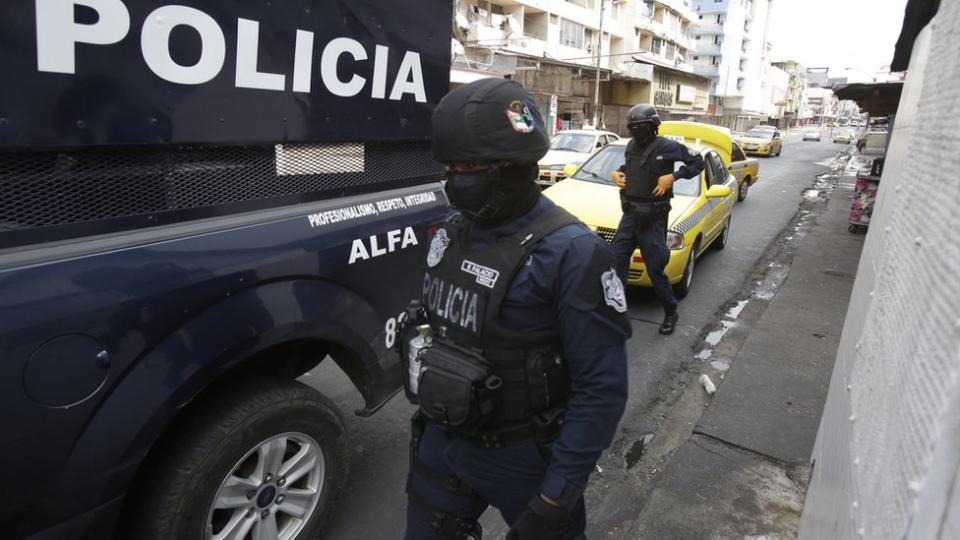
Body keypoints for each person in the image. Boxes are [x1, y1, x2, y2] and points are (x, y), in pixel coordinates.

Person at [401, 78, 631, 540]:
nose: (455, 179)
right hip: (442, 439)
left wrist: (555, 498)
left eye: (470, 166)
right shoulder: (451, 233)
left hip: (522, 457)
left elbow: (601, 390)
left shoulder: (572, 253)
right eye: (450, 166)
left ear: (514, 167)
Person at [610, 104, 704, 335]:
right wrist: (618, 171)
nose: (638, 131)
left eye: (643, 126)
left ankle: (671, 311)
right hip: (630, 215)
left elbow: (697, 162)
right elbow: (633, 167)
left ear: (653, 127)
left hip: (653, 218)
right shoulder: (631, 145)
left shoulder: (668, 146)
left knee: (655, 269)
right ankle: (617, 313)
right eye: (634, 127)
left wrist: (673, 176)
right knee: (615, 262)